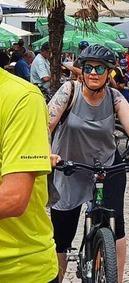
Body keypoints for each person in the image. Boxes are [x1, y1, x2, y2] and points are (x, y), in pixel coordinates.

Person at [48, 45, 129, 283]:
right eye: (89, 67)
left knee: (116, 224)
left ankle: (115, 278)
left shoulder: (114, 97)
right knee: (62, 234)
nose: (94, 73)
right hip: (68, 166)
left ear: (109, 72)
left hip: (106, 166)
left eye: (100, 68)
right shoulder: (69, 91)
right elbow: (45, 125)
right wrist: (48, 154)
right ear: (82, 70)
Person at [0, 66, 58, 282]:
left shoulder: (22, 97)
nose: (94, 73)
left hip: (18, 271)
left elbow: (13, 198)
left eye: (100, 69)